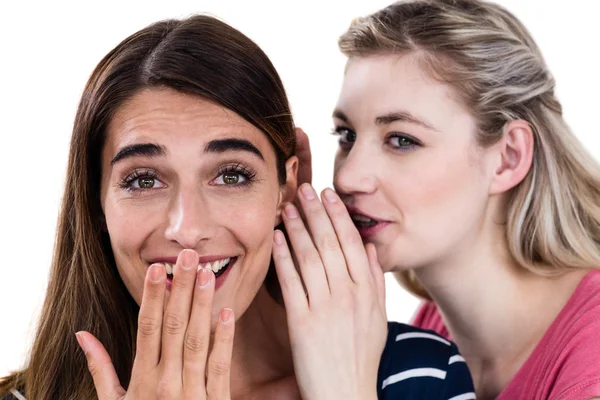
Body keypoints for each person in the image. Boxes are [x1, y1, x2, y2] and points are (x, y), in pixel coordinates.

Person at [0, 13, 474, 400]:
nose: (187, 229)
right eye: (143, 180)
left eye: (231, 175)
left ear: (286, 188)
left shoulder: (416, 376)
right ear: (96, 202)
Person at [299, 0, 600, 399]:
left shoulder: (590, 363)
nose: (348, 176)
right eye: (346, 135)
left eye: (402, 140)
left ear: (507, 158)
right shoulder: (429, 336)